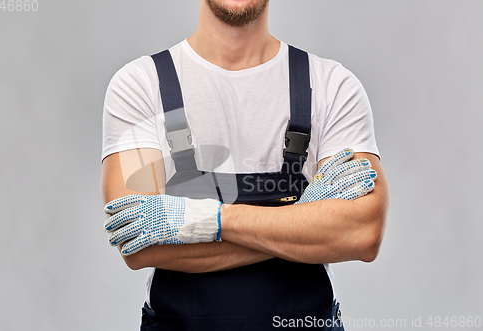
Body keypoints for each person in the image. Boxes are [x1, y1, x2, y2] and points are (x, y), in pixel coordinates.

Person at [101, 0, 390, 330]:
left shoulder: (332, 86)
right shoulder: (140, 85)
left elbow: (363, 233)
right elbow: (137, 242)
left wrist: (206, 220)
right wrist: (303, 219)